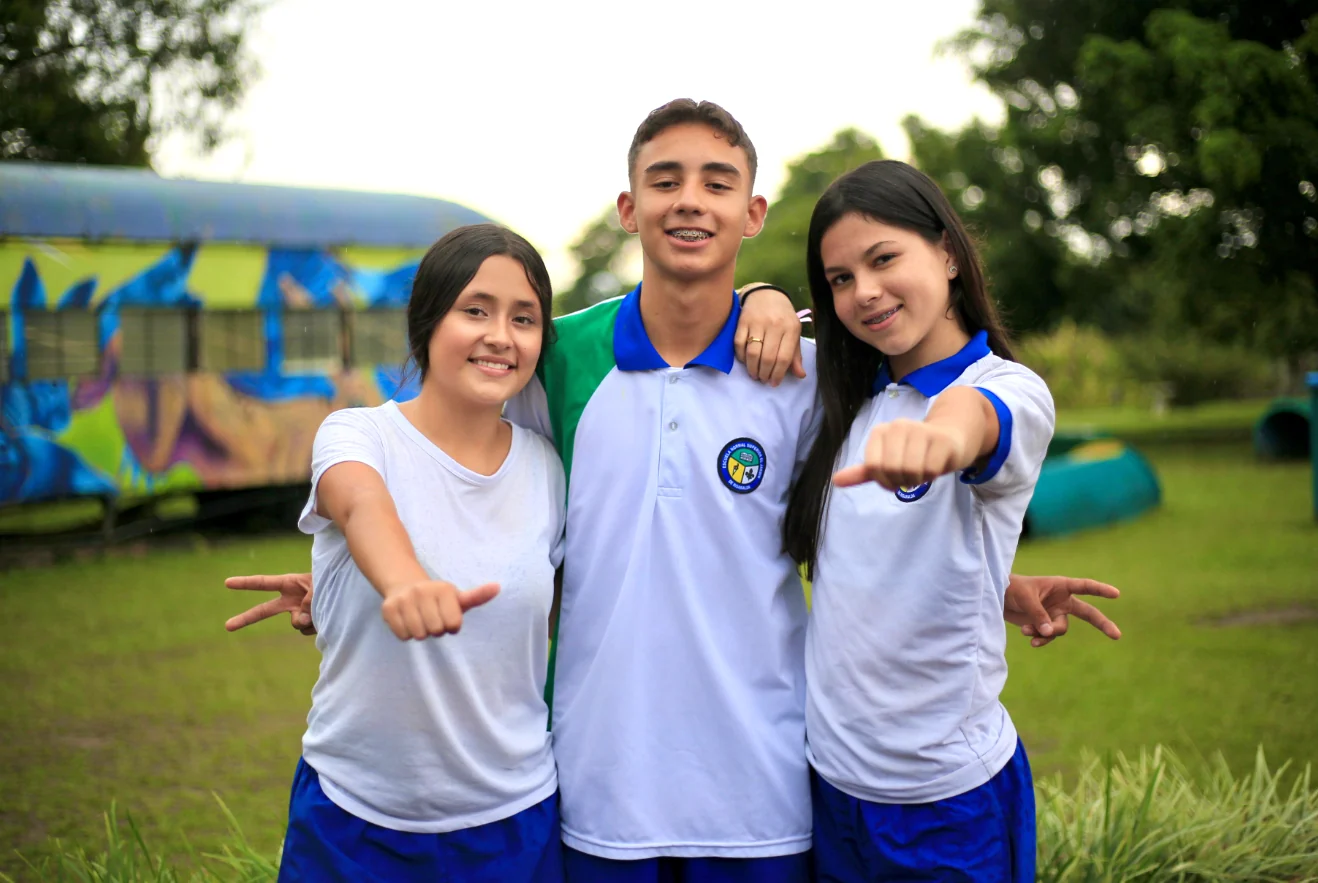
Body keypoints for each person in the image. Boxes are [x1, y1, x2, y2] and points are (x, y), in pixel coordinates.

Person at [228, 100, 1120, 883]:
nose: (689, 198)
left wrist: (983, 575)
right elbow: (455, 457)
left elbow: (935, 468)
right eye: (665, 179)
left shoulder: (813, 376)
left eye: (717, 181)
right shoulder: (558, 355)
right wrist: (356, 580)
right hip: (594, 790)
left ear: (752, 212)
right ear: (629, 206)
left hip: (767, 792)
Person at [260, 224, 568, 882]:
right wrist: (398, 584)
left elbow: (555, 610)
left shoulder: (549, 468)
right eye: (475, 309)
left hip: (514, 822)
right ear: (428, 319)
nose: (500, 335)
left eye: (524, 318)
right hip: (352, 820)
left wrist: (335, 602)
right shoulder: (357, 433)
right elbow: (360, 504)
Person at [785, 160, 1058, 882]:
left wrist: (941, 439)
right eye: (840, 279)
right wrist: (756, 298)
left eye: (883, 259)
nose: (863, 292)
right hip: (830, 786)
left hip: (947, 804)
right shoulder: (851, 399)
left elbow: (978, 423)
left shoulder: (1006, 387)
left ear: (945, 251)